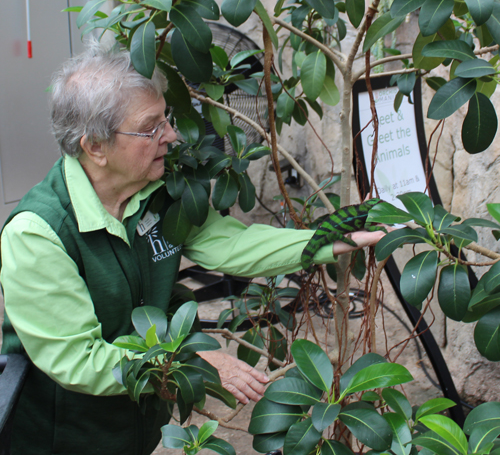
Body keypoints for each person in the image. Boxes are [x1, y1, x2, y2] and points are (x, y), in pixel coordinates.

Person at [0, 42, 386, 455]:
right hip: (63, 437)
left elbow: (229, 242)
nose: (171, 135)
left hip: (137, 428)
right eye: (151, 128)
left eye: (166, 118)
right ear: (95, 147)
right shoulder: (37, 234)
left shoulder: (160, 189)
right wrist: (187, 363)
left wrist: (329, 237)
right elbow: (81, 358)